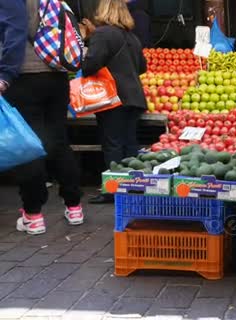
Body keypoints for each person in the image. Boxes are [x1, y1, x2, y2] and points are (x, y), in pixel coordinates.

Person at [1, 0, 85, 235]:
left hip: (24, 77)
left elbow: (15, 32)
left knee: (28, 146)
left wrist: (5, 74)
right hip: (56, 77)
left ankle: (33, 214)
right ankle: (74, 205)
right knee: (58, 140)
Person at [81, 0, 147, 204]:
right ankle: (135, 187)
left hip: (113, 97)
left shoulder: (102, 34)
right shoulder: (133, 37)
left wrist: (86, 47)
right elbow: (142, 67)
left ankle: (113, 190)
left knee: (112, 144)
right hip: (134, 97)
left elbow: (91, 64)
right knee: (129, 143)